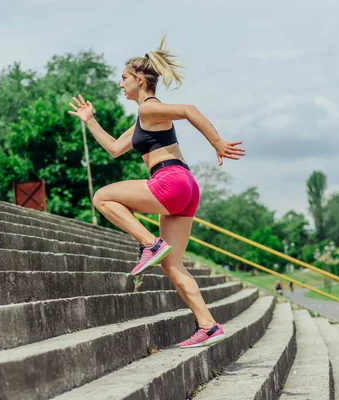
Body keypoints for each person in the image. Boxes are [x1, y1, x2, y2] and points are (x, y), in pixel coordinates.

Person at [68, 35, 245, 348]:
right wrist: (89, 120)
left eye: (123, 79)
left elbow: (189, 109)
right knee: (172, 265)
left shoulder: (149, 109)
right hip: (186, 187)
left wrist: (216, 141)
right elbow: (113, 149)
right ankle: (207, 324)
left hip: (170, 180)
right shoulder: (144, 117)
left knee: (102, 197)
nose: (120, 85)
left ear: (138, 79)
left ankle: (150, 243)